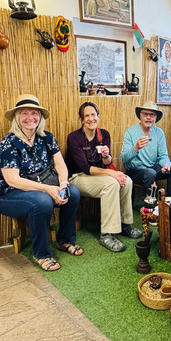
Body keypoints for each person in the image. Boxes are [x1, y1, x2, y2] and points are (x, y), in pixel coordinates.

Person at [0, 94, 82, 272]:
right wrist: (49, 189)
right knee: (42, 201)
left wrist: (63, 184)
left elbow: (60, 165)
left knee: (73, 193)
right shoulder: (8, 142)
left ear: (40, 117)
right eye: (24, 113)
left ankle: (65, 240)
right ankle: (41, 253)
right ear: (17, 118)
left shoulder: (47, 137)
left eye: (34, 113)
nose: (30, 117)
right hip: (10, 193)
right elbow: (12, 179)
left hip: (43, 185)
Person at [66, 102, 142, 252]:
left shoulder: (104, 134)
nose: (90, 118)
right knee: (111, 183)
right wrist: (113, 173)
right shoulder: (74, 138)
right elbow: (85, 168)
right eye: (86, 116)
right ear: (81, 119)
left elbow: (107, 162)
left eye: (93, 115)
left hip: (99, 175)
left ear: (98, 117)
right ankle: (106, 234)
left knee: (127, 181)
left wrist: (106, 156)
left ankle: (125, 225)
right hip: (77, 178)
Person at [121, 101, 171, 196]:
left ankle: (170, 203)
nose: (148, 117)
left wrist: (166, 164)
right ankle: (149, 207)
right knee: (150, 173)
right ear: (140, 116)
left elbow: (163, 155)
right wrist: (136, 148)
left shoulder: (159, 133)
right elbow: (124, 159)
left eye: (152, 115)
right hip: (136, 170)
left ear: (156, 117)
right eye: (145, 114)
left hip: (153, 168)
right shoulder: (130, 132)